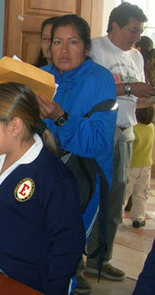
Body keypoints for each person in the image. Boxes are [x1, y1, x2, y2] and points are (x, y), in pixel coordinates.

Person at [0, 82, 84, 294]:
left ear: (15, 126)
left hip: (31, 284)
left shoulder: (51, 176)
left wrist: (53, 288)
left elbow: (68, 242)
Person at [35, 14, 117, 294]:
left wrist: (60, 117)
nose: (64, 50)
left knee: (63, 252)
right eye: (57, 42)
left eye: (73, 42)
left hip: (86, 176)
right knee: (37, 246)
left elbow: (98, 141)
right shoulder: (43, 75)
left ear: (86, 47)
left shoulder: (101, 80)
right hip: (47, 175)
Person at [85, 2, 155, 283]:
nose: (137, 37)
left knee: (115, 202)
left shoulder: (136, 57)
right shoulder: (94, 49)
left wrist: (148, 97)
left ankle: (101, 259)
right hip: (99, 132)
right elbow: (89, 92)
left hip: (126, 133)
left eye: (140, 31)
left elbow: (134, 102)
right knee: (90, 197)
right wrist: (128, 87)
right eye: (133, 30)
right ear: (115, 25)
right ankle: (76, 263)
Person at [125, 106, 154, 228]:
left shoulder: (132, 129)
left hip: (130, 166)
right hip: (146, 166)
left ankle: (118, 216)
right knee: (141, 194)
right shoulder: (151, 128)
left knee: (124, 194)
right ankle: (138, 218)